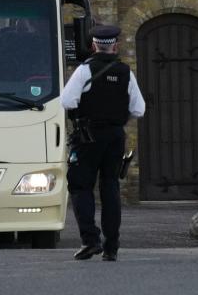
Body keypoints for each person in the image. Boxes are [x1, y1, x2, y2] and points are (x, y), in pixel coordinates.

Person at [60, 24, 145, 262]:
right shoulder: (126, 72)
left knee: (80, 187)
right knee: (110, 189)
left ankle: (90, 240)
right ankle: (112, 246)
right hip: (115, 136)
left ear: (93, 46)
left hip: (88, 136)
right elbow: (139, 109)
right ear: (115, 46)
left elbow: (67, 101)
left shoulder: (85, 70)